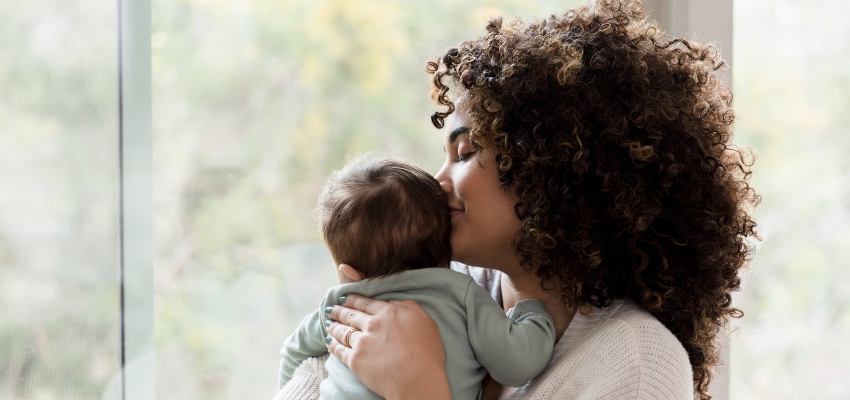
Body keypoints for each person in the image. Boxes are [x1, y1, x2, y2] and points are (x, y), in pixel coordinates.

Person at [308, 0, 759, 399]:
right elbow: (304, 379)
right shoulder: (444, 281)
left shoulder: (637, 365)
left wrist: (418, 388)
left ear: (555, 166)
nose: (438, 180)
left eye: (465, 153)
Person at [277, 156, 556, 400]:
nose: (441, 178)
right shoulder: (461, 294)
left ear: (349, 274)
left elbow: (293, 352)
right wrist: (532, 312)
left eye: (463, 154)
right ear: (446, 246)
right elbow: (519, 364)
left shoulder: (340, 304)